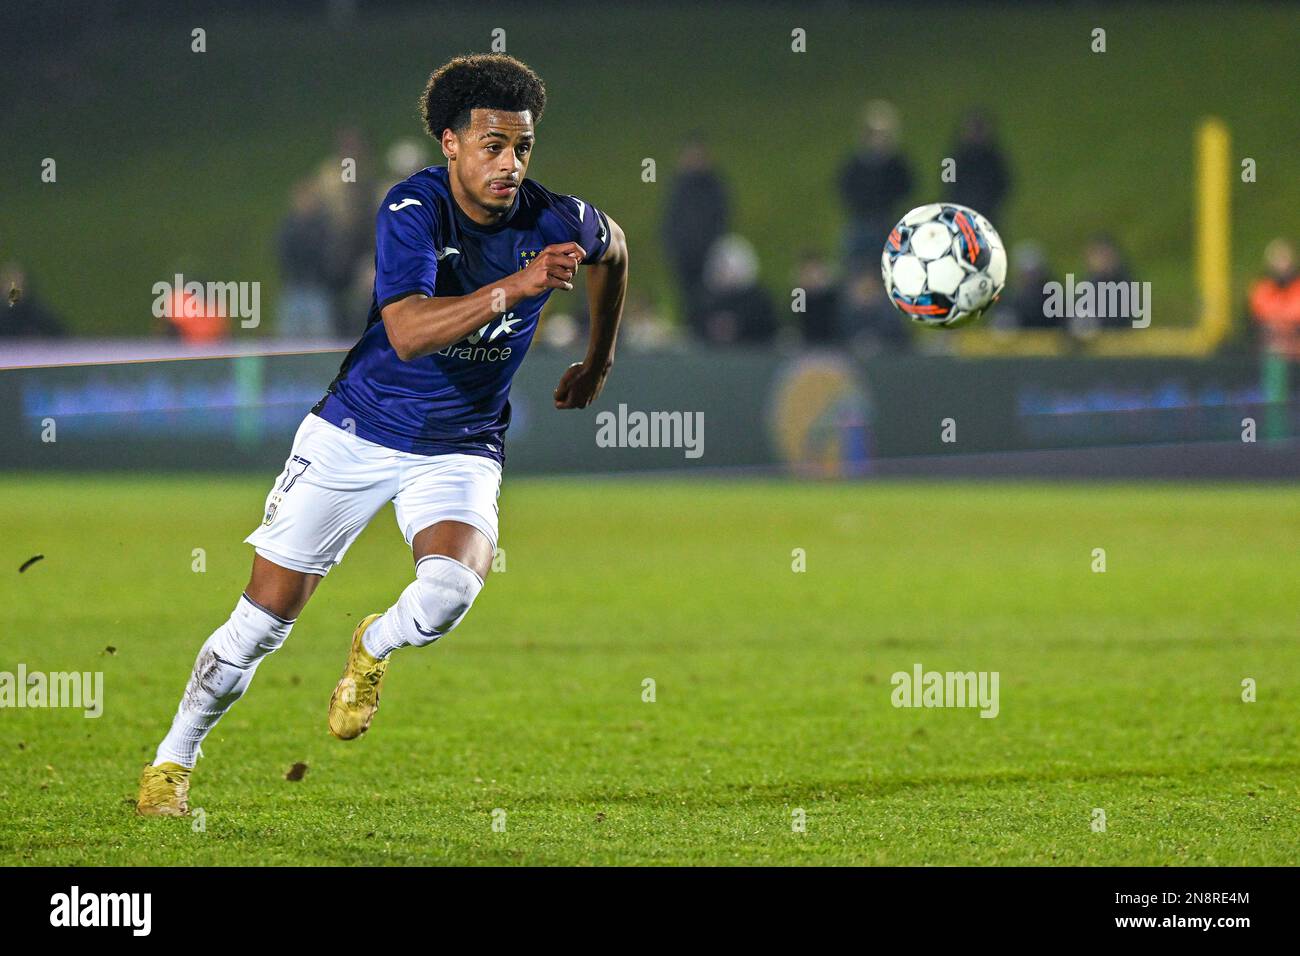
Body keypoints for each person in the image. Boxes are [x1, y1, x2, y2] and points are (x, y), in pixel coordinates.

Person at [137, 54, 629, 816]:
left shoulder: (556, 216)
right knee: (260, 624)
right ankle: (173, 760)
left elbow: (616, 249)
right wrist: (517, 285)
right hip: (357, 432)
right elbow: (404, 332)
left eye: (522, 147)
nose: (510, 164)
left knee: (450, 592)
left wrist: (597, 360)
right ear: (450, 144)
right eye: (492, 145)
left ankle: (374, 644)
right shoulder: (412, 209)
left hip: (462, 443)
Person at [662, 132, 730, 326]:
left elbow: (721, 218)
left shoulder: (713, 186)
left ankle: (706, 330)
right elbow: (670, 219)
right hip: (683, 254)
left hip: (707, 254)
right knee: (686, 297)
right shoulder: (678, 186)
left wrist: (714, 246)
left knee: (708, 297)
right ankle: (690, 328)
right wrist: (672, 245)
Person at [837, 100, 913, 268]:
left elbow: (907, 187)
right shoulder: (855, 164)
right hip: (861, 222)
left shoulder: (897, 164)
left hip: (887, 220)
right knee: (856, 264)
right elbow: (845, 188)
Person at [276, 179, 337, 339]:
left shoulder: (323, 226)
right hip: (294, 286)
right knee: (289, 337)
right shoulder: (288, 226)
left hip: (317, 286)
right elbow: (282, 253)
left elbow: (329, 255)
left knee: (320, 336)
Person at [691, 234, 777, 345]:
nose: (725, 273)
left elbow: (767, 330)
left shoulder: (758, 301)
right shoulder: (706, 299)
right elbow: (696, 325)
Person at [945, 109, 1011, 226]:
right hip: (961, 214)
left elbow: (1004, 183)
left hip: (987, 214)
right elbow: (948, 183)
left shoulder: (994, 159)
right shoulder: (955, 157)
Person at [1248, 238, 1300, 356]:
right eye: (1277, 260)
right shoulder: (1261, 289)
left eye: (1284, 259)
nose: (1281, 265)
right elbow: (1257, 320)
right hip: (1268, 353)